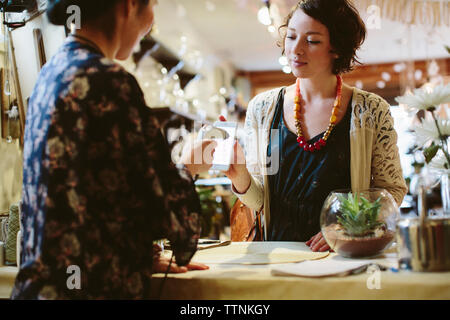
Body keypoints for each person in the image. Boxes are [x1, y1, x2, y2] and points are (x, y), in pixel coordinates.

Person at [11, 0, 215, 299]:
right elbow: (166, 218)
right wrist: (188, 168)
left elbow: (91, 199)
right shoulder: (110, 81)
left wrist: (139, 253)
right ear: (130, 5)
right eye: (153, 5)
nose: (151, 23)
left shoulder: (50, 74)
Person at [224, 0, 407, 251]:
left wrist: (347, 228)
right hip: (277, 258)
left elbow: (391, 190)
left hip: (343, 260)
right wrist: (240, 175)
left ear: (337, 48)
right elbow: (261, 202)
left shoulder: (370, 110)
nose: (296, 50)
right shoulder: (262, 108)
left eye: (312, 41)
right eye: (291, 37)